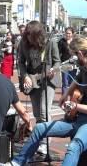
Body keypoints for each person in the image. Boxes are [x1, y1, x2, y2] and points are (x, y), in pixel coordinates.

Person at [0, 37, 87, 166]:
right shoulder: (85, 68)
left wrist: (75, 105)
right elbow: (77, 80)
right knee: (40, 128)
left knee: (73, 147)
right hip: (77, 119)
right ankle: (17, 163)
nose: (73, 58)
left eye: (74, 55)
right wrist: (66, 95)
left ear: (80, 54)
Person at [18, 20, 60, 154]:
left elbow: (57, 61)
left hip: (48, 80)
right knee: (37, 113)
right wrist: (25, 76)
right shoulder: (24, 43)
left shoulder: (50, 42)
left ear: (38, 35)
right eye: (28, 35)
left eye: (32, 36)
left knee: (44, 111)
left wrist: (53, 69)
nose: (29, 38)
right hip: (32, 79)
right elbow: (21, 62)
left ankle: (45, 142)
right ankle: (41, 138)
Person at [58, 27, 77, 94]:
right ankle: (64, 99)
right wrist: (59, 62)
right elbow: (58, 53)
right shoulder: (61, 41)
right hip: (64, 64)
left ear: (72, 34)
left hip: (73, 65)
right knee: (65, 83)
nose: (67, 35)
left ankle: (72, 99)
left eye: (69, 33)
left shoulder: (75, 42)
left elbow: (78, 51)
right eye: (66, 33)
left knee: (72, 82)